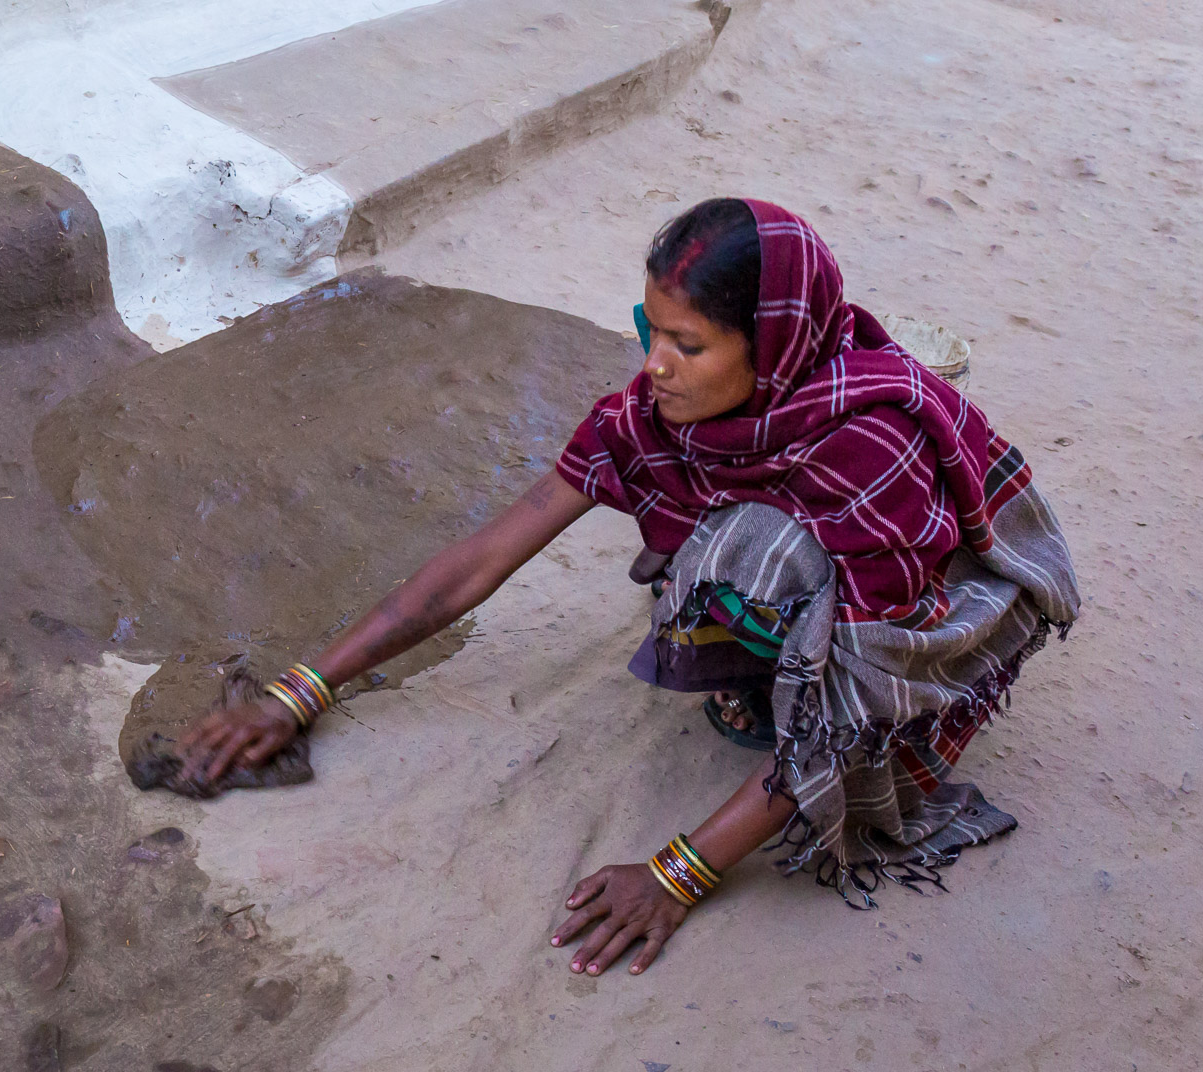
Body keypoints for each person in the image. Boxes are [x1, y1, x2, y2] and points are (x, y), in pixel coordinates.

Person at [172, 198, 1080, 977]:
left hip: (915, 650)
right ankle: (768, 667)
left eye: (689, 345)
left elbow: (859, 714)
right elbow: (487, 556)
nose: (655, 365)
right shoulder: (653, 419)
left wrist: (679, 872)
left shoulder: (869, 454)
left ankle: (782, 682)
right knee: (740, 551)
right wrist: (304, 691)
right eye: (651, 330)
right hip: (814, 600)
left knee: (757, 551)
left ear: (773, 344)